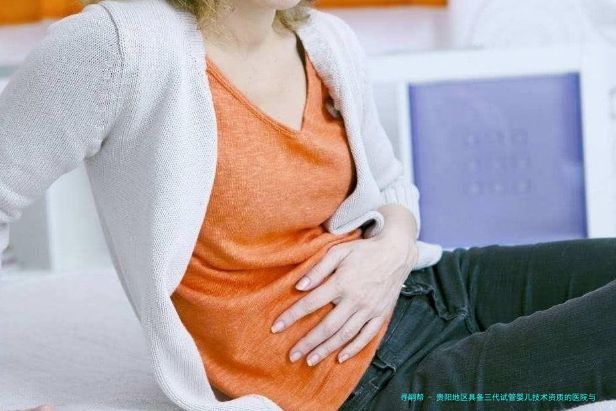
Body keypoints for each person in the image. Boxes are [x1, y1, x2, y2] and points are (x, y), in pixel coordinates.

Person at [1, 1, 615, 410]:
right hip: (363, 388)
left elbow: (393, 186)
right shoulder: (119, 47)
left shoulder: (324, 39)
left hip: (434, 286)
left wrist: (392, 249)